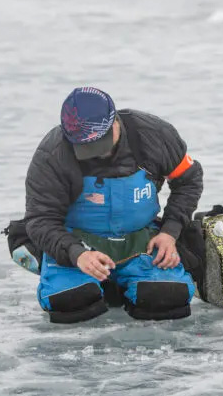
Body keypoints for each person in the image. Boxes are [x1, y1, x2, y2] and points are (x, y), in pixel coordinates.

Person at [21, 87, 202, 324]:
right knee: (69, 301)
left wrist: (170, 232)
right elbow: (40, 219)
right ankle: (88, 282)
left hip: (141, 239)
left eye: (101, 142)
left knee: (167, 297)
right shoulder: (52, 154)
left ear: (115, 121)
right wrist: (76, 254)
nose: (97, 153)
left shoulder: (153, 135)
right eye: (86, 148)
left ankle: (123, 283)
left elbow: (189, 180)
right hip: (76, 242)